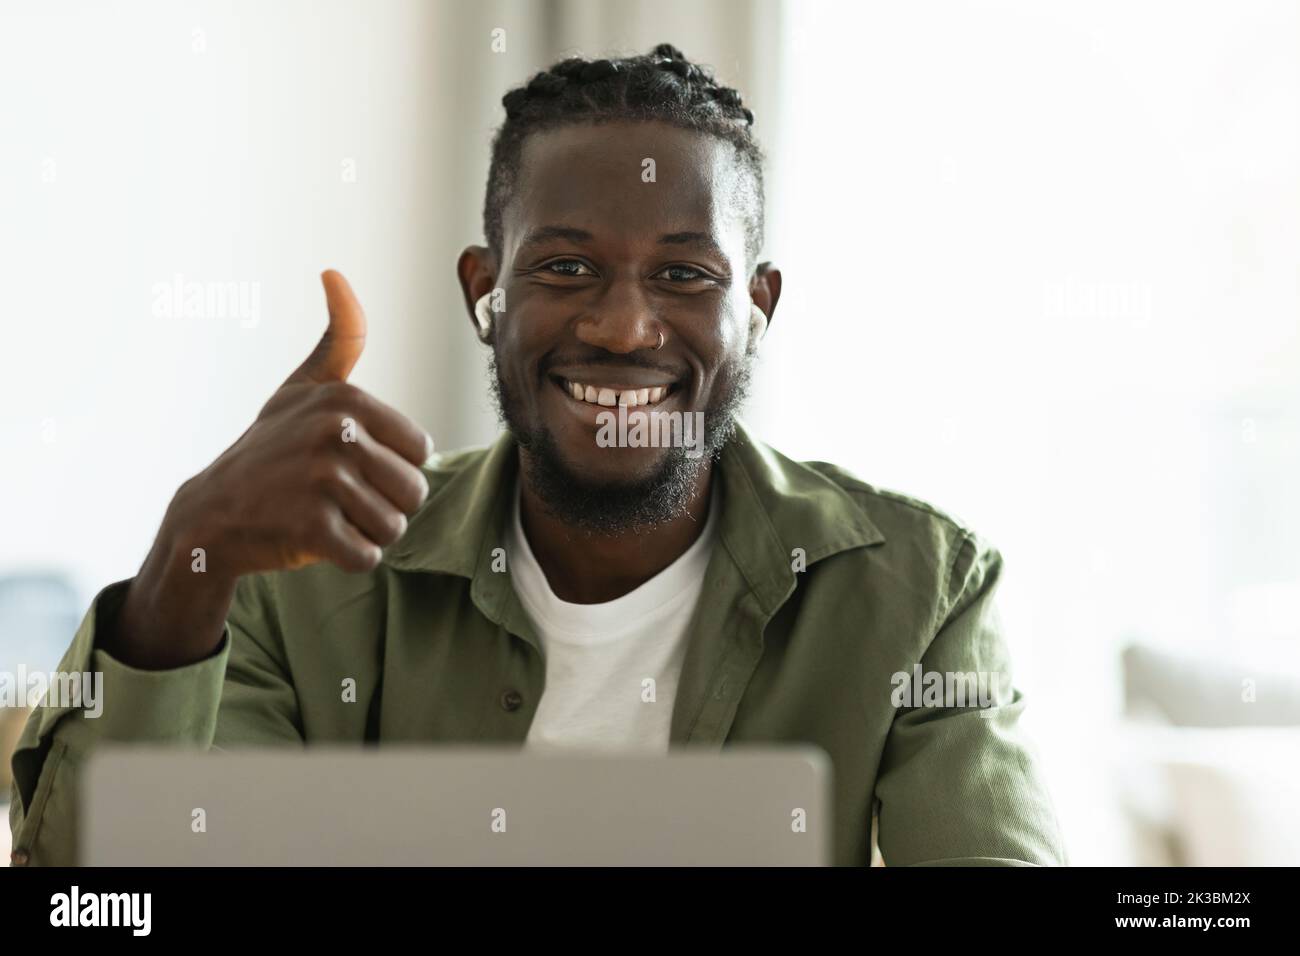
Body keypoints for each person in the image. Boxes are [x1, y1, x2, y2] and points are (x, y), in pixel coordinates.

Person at [8, 43, 1065, 867]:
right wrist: (186, 559)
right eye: (565, 265)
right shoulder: (303, 571)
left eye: (686, 275)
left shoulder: (921, 589)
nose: (621, 327)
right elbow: (108, 897)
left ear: (758, 306)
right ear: (485, 291)